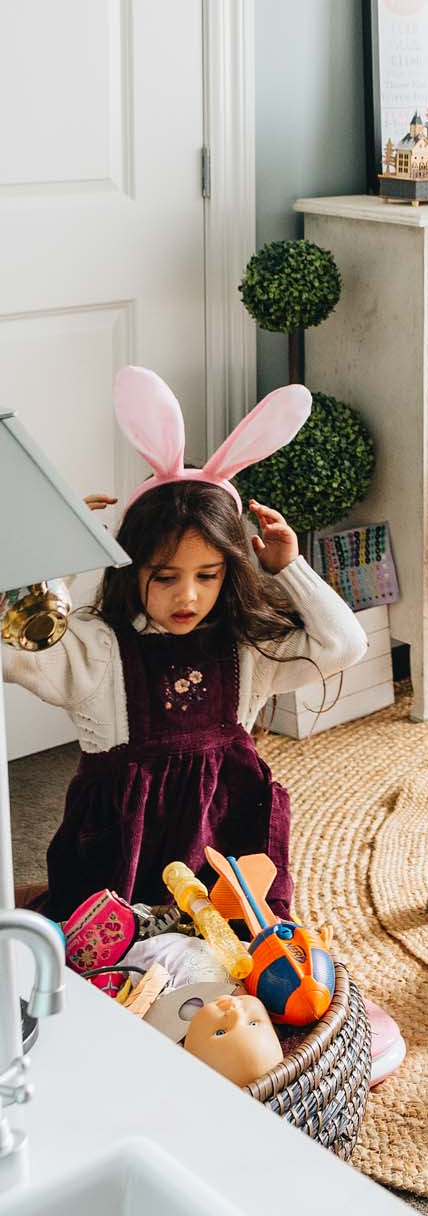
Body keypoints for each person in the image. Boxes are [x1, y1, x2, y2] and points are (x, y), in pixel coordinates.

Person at [3, 367, 365, 920]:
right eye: (165, 577)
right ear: (131, 569)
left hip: (226, 847)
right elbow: (11, 649)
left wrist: (288, 567)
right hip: (119, 860)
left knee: (235, 960)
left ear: (231, 571)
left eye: (208, 575)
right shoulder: (97, 649)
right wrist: (61, 562)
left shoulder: (247, 648)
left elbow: (343, 645)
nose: (187, 596)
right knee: (113, 963)